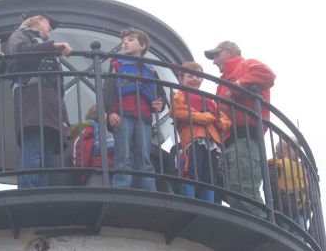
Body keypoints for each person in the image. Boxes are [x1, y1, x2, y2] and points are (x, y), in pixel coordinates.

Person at [204, 41, 276, 217]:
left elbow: (267, 74)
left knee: (243, 191)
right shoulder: (222, 81)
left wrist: (237, 87)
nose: (214, 61)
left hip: (245, 137)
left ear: (229, 52)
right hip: (228, 139)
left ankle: (266, 228)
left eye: (217, 55)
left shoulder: (246, 65)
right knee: (232, 193)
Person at [6, 9, 72, 188]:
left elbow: (58, 89)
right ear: (36, 20)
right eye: (48, 23)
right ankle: (30, 191)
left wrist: (64, 119)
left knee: (45, 159)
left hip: (51, 110)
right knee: (34, 152)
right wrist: (52, 46)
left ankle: (41, 191)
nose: (50, 28)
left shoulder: (45, 46)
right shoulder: (19, 36)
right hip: (32, 104)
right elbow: (19, 53)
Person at [103, 27, 166, 191]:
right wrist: (110, 112)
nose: (125, 42)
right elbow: (108, 89)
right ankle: (121, 188)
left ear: (142, 45)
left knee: (144, 157)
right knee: (122, 155)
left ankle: (149, 190)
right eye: (124, 40)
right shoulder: (116, 65)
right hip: (123, 115)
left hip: (144, 117)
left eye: (130, 40)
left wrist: (160, 104)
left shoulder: (151, 71)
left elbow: (160, 95)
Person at [171, 62, 231, 202]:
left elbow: (225, 121)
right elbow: (178, 111)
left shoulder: (209, 100)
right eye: (190, 75)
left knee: (209, 173)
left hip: (211, 140)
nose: (195, 79)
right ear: (181, 79)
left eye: (198, 76)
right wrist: (207, 117)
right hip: (193, 137)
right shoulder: (179, 95)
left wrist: (216, 121)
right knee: (192, 169)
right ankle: (190, 200)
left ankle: (207, 202)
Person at [268, 137, 307, 233]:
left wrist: (304, 204)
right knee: (283, 232)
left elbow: (306, 190)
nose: (298, 153)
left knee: (299, 235)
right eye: (294, 149)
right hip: (282, 208)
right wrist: (282, 198)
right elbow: (272, 185)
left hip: (298, 211)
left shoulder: (301, 169)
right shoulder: (276, 165)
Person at [71, 105, 115, 186]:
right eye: (104, 113)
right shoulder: (89, 129)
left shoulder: (107, 131)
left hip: (108, 170)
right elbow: (82, 147)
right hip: (96, 170)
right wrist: (83, 169)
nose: (106, 115)